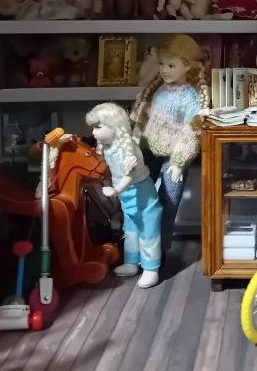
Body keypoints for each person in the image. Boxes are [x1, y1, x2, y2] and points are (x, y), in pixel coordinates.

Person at [131, 34, 211, 255]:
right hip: (149, 149)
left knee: (169, 201)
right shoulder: (158, 88)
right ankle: (137, 243)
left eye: (171, 65)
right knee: (141, 196)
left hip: (175, 155)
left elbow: (191, 132)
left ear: (187, 66)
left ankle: (160, 247)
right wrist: (136, 138)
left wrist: (178, 162)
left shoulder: (191, 97)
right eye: (162, 64)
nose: (164, 70)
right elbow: (143, 115)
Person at [87, 102, 161, 288]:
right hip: (128, 195)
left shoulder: (129, 148)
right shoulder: (109, 146)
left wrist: (116, 190)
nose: (94, 132)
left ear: (114, 127)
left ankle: (151, 268)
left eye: (98, 127)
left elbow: (130, 175)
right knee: (130, 229)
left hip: (141, 193)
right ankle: (131, 262)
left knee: (147, 230)